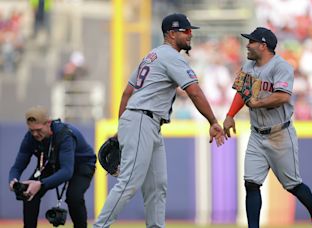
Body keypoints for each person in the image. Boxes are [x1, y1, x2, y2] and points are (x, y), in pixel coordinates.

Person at [93, 13, 225, 228]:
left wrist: (122, 127)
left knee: (157, 186)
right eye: (187, 31)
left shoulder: (152, 55)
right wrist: (212, 121)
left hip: (145, 122)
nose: (190, 35)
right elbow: (194, 92)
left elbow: (127, 92)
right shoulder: (172, 57)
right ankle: (99, 226)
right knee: (129, 183)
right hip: (141, 119)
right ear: (172, 34)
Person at [223, 27, 312, 228]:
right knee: (251, 183)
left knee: (293, 185)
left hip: (280, 133)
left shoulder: (281, 67)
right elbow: (241, 92)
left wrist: (257, 103)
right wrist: (229, 116)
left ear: (263, 45)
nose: (247, 45)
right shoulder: (249, 65)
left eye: (251, 42)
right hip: (257, 134)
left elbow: (282, 96)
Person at [8, 106, 96, 228]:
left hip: (82, 164)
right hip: (56, 162)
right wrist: (13, 180)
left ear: (48, 123)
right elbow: (17, 167)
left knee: (74, 197)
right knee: (28, 192)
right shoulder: (30, 138)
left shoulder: (64, 135)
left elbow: (67, 171)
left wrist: (41, 184)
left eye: (38, 130)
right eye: (31, 130)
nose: (35, 134)